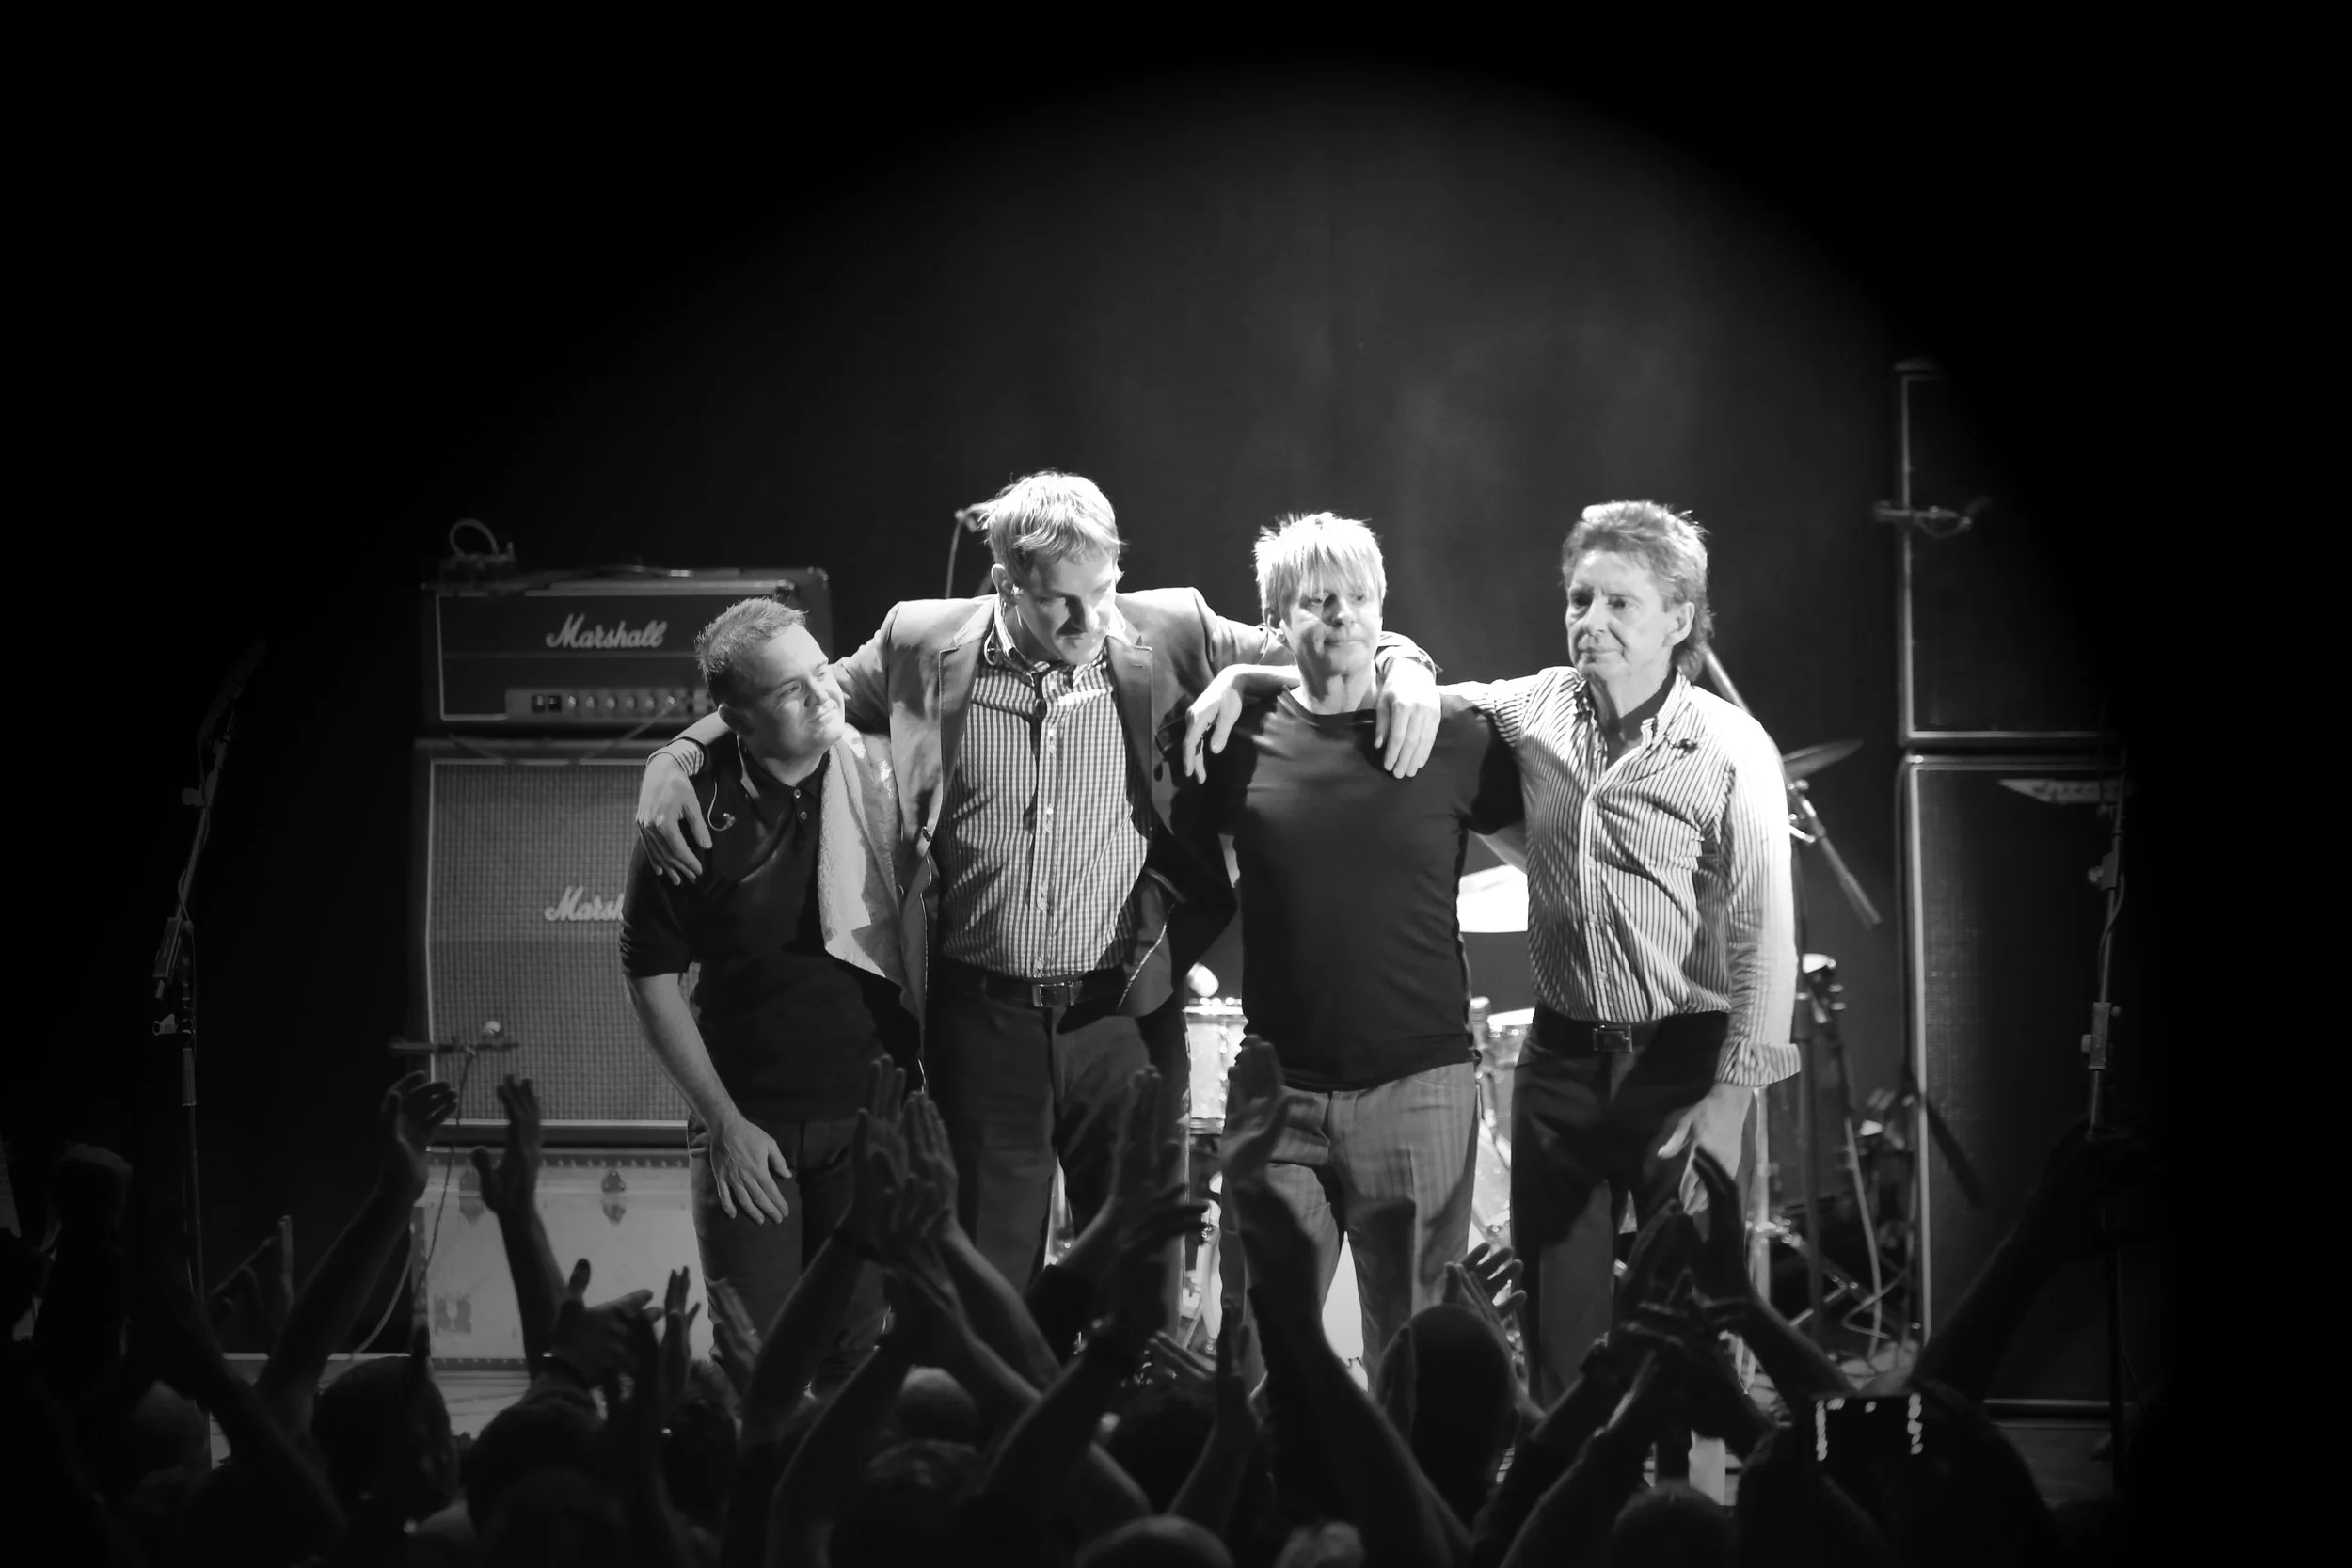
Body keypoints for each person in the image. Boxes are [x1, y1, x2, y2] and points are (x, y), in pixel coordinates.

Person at [633, 471, 1441, 1291]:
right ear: (1004, 584)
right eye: (1060, 601)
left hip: (1124, 1017)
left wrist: (1406, 663)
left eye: (1105, 590)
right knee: (985, 1294)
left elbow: (1328, 644)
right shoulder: (921, 642)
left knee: (1136, 1288)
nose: (1091, 621)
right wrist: (679, 753)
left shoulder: (1174, 629)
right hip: (980, 1024)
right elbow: (797, 695)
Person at [1447, 500, 1798, 1405]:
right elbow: (1428, 695)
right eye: (1579, 599)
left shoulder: (1729, 745)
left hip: (1682, 1061)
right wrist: (1390, 666)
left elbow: (1766, 935)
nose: (1590, 621)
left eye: (1619, 603)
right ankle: (1570, 1485)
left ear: (1679, 619)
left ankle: (1688, 1493)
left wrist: (1731, 1101)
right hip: (1561, 1060)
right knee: (1559, 1342)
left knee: (1689, 1331)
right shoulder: (1536, 707)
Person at [1185, 513, 1521, 1383]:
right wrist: (1242, 678)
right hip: (1279, 1091)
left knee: (1413, 1361)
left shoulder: (1452, 731)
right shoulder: (1237, 737)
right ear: (1275, 620)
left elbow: (1550, 861)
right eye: (1318, 600)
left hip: (1418, 1089)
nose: (1343, 615)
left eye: (1360, 597)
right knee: (1258, 1357)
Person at [619, 596, 917, 1377]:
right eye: (791, 689)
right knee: (756, 1364)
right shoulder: (689, 810)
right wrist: (722, 1122)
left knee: (856, 1360)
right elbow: (649, 975)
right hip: (750, 1125)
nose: (823, 694)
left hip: (868, 1118)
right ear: (737, 718)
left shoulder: (881, 771)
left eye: (822, 671)